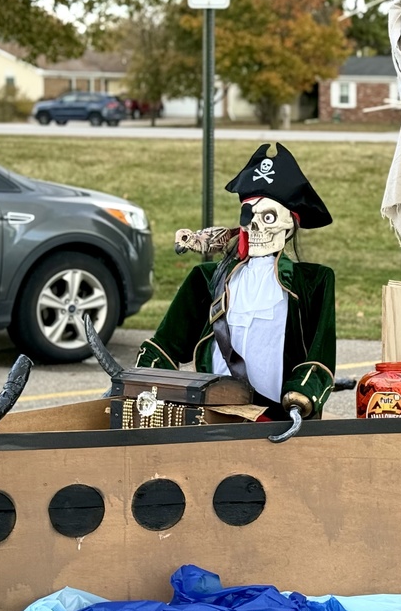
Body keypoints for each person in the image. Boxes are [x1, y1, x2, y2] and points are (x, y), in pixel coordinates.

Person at [136, 143, 336, 421]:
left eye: (269, 217)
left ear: (289, 223)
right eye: (248, 215)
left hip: (278, 417)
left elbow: (320, 356)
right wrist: (136, 383)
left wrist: (300, 400)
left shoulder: (313, 282)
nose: (256, 226)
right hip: (213, 414)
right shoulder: (208, 278)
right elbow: (167, 345)